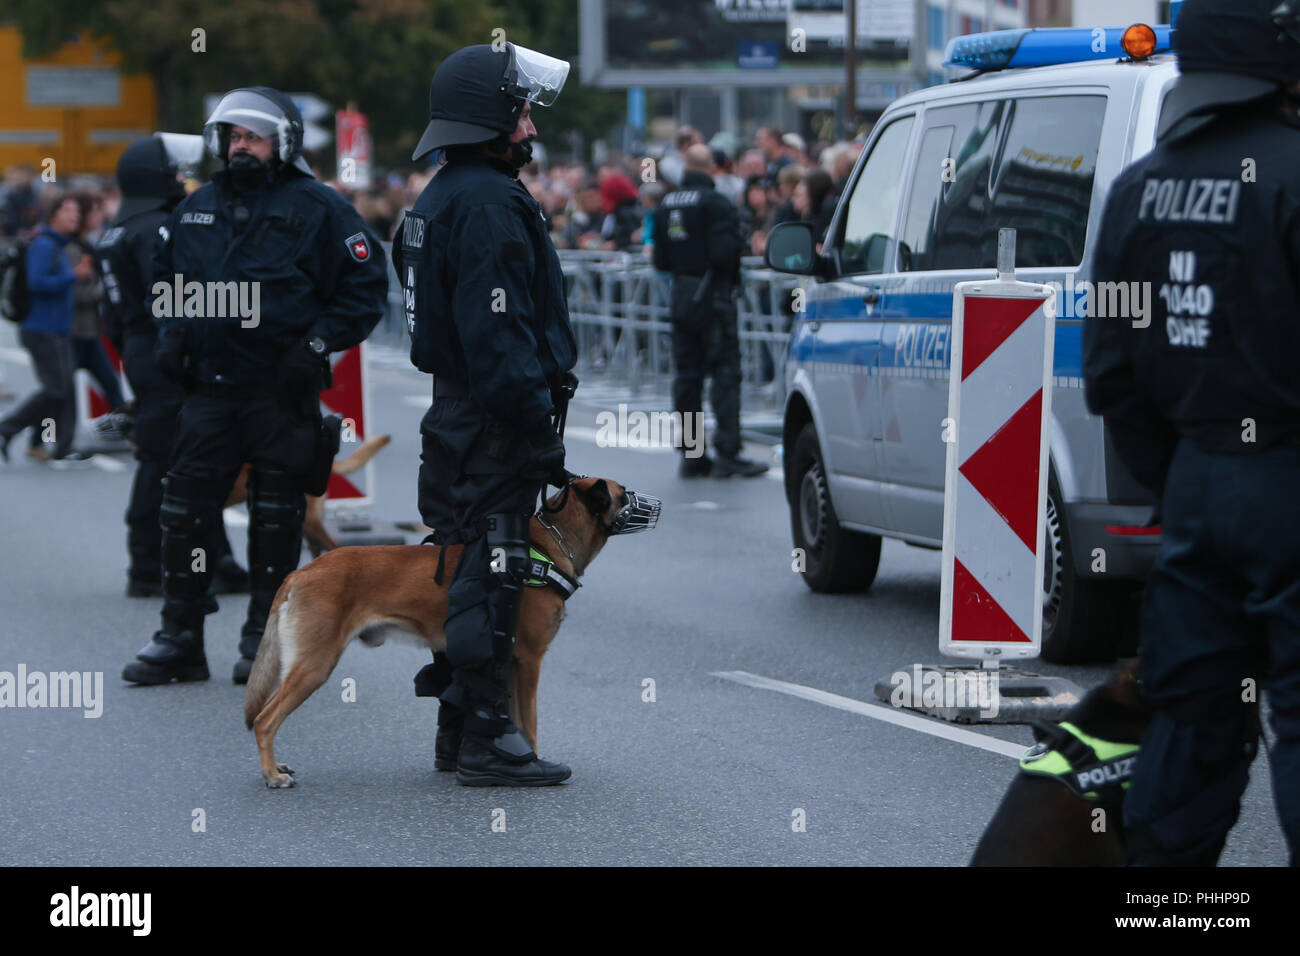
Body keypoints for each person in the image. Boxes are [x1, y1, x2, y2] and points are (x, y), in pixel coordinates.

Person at [1083, 0, 1300, 866]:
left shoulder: (1136, 191)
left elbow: (1110, 374)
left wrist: (1183, 480)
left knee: (1192, 713)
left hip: (1195, 489)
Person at [121, 87, 387, 686]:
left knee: (276, 519)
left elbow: (365, 288)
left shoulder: (321, 207)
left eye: (253, 137)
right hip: (209, 394)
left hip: (280, 392)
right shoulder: (196, 209)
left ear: (283, 142)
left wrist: (316, 345)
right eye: (233, 137)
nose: (240, 146)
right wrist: (171, 332)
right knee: (183, 513)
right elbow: (165, 281)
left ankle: (261, 641)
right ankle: (179, 637)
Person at [396, 42, 579, 786]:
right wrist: (536, 430)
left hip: (459, 418)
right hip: (490, 419)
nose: (532, 125)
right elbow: (499, 336)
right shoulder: (487, 204)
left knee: (469, 563)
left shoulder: (442, 195)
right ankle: (486, 739)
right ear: (492, 118)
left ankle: (461, 729)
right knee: (491, 572)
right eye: (522, 109)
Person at [96, 134, 248, 598]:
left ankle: (217, 558)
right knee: (164, 457)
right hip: (163, 350)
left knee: (192, 455)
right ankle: (146, 566)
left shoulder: (120, 228)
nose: (182, 180)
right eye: (176, 173)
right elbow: (176, 293)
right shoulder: (153, 230)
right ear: (157, 177)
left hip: (141, 349)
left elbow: (112, 314)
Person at [653, 143, 767, 479]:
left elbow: (660, 259)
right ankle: (728, 451)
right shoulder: (716, 203)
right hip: (713, 297)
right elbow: (725, 253)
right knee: (725, 374)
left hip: (681, 295)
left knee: (687, 377)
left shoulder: (666, 204)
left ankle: (692, 454)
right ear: (712, 169)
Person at [0, 193, 93, 465]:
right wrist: (72, 276)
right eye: (68, 211)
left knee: (63, 389)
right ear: (54, 214)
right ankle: (8, 427)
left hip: (56, 329)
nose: (74, 217)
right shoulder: (44, 245)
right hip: (41, 328)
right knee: (56, 390)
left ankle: (57, 444)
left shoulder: (58, 245)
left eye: (77, 212)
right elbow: (37, 283)